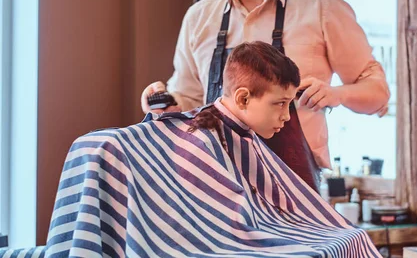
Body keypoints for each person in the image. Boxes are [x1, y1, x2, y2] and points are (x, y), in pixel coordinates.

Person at [0, 42, 381, 257]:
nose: (286, 115)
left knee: (350, 239)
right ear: (244, 98)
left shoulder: (242, 136)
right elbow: (220, 224)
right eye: (280, 104)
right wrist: (160, 108)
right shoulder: (203, 130)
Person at [141, 0, 390, 189]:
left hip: (294, 190)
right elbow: (189, 101)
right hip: (216, 185)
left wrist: (337, 95)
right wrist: (162, 103)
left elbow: (378, 94)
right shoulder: (198, 18)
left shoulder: (323, 8)